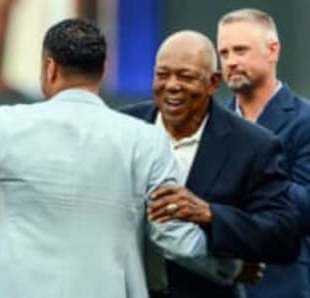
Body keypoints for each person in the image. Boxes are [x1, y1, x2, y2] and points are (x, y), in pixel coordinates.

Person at [0, 18, 209, 298]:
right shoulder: (148, 139)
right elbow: (175, 239)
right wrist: (231, 266)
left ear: (50, 67)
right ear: (103, 69)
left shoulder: (2, 125)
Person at [120, 30, 300, 298]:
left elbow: (283, 237)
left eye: (186, 77)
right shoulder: (121, 128)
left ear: (213, 82)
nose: (171, 85)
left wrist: (210, 214)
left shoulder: (253, 145)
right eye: (162, 74)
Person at [217, 8, 310, 298]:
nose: (231, 61)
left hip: (282, 284)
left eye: (240, 50)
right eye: (224, 53)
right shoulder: (212, 122)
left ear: (273, 51)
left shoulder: (304, 120)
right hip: (218, 281)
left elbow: (303, 207)